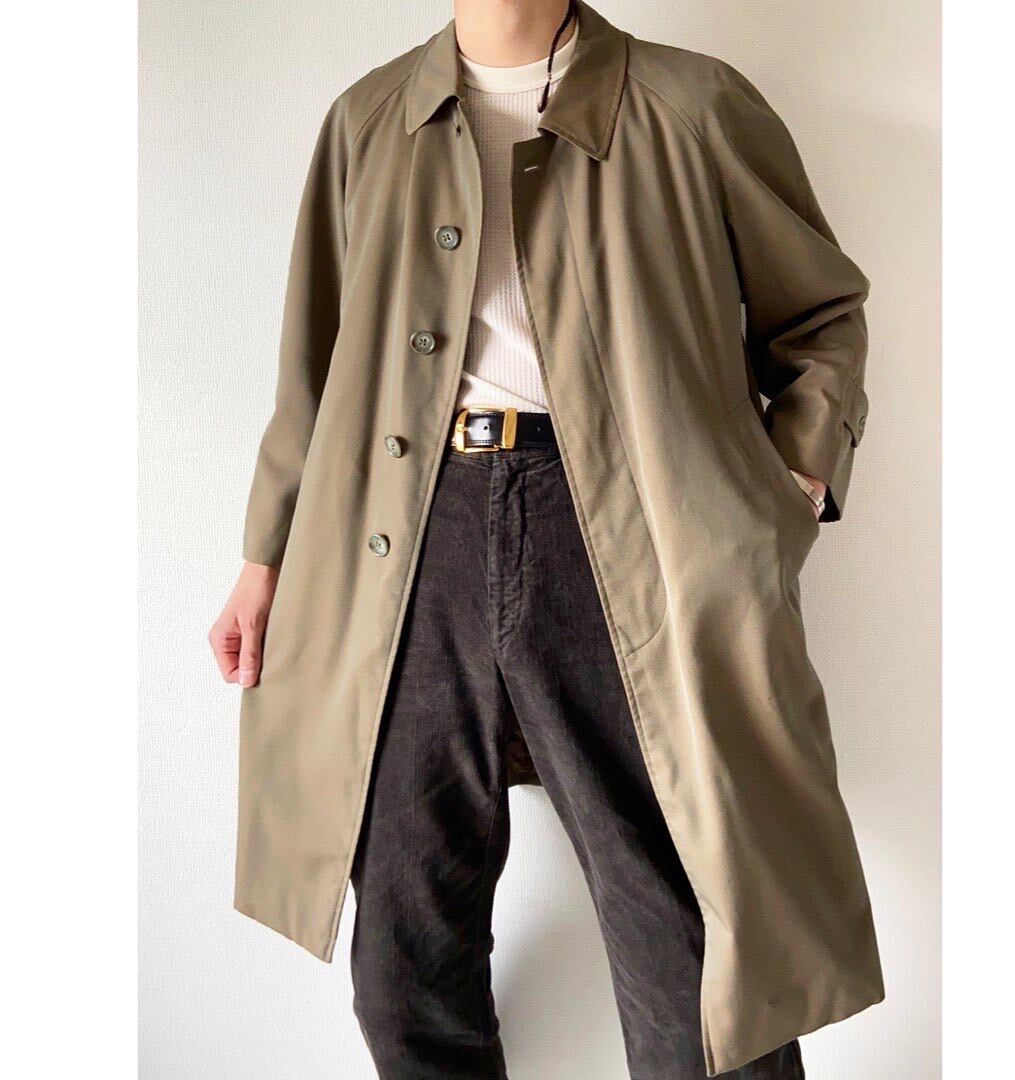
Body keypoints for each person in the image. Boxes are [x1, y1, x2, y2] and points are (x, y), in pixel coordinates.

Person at [208, 1, 883, 1076]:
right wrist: (265, 559)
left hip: (629, 537)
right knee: (401, 966)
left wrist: (790, 482)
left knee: (694, 957)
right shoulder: (368, 120)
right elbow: (314, 377)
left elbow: (821, 317)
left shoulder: (692, 105)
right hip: (403, 547)